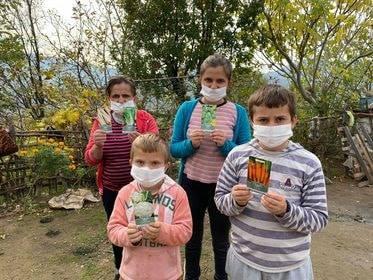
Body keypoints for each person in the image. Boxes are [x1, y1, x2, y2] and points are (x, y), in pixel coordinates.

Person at [215, 84, 328, 279]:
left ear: (293, 121)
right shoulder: (237, 155)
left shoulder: (309, 163)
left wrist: (286, 210)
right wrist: (235, 201)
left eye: (280, 119)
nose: (272, 126)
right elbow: (220, 201)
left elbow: (318, 220)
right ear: (252, 121)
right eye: (264, 120)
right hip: (244, 260)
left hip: (291, 266)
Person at [170, 54, 251, 280]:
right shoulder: (187, 109)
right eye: (208, 81)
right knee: (192, 239)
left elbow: (246, 153)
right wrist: (190, 144)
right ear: (200, 80)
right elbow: (173, 149)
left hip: (223, 187)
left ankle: (221, 277)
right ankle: (191, 277)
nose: (213, 86)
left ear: (228, 83)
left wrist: (226, 145)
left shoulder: (238, 112)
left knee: (221, 241)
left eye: (219, 82)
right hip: (191, 183)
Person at [84, 76, 159, 279]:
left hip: (142, 189)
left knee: (144, 228)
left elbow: (158, 153)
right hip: (112, 191)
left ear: (134, 98)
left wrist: (142, 143)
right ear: (109, 98)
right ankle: (121, 270)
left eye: (125, 96)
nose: (120, 100)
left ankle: (145, 270)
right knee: (118, 232)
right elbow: (90, 159)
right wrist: (98, 146)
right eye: (115, 96)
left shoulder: (144, 119)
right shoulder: (101, 121)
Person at [107, 133, 193, 280]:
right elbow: (113, 228)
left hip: (168, 274)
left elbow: (185, 231)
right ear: (131, 162)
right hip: (131, 274)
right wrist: (127, 235)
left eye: (154, 163)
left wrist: (162, 231)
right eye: (140, 162)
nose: (146, 169)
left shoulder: (178, 193)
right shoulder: (125, 193)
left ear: (166, 166)